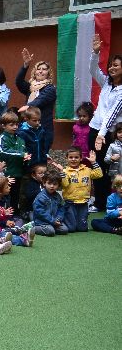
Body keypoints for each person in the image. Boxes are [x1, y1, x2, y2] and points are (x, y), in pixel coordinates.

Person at [89, 34, 122, 210]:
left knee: (112, 168)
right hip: (95, 130)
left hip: (109, 134)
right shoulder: (107, 84)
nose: (111, 68)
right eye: (111, 65)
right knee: (97, 166)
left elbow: (112, 114)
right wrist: (95, 53)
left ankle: (112, 203)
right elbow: (93, 70)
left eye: (116, 65)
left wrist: (101, 135)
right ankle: (100, 202)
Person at [15, 48, 57, 148]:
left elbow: (40, 100)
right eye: (38, 69)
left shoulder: (50, 88)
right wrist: (26, 65)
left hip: (43, 129)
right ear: (35, 72)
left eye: (44, 69)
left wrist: (28, 106)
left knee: (41, 154)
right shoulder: (30, 87)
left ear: (48, 73)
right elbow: (19, 82)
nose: (41, 71)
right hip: (28, 127)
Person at [55, 146, 102, 232]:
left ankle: (77, 222)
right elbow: (65, 184)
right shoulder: (65, 171)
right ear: (66, 158)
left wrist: (93, 162)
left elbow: (99, 174)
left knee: (82, 229)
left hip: (83, 202)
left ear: (81, 158)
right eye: (71, 157)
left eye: (76, 157)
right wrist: (61, 172)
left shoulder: (87, 170)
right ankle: (61, 219)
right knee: (71, 228)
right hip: (70, 202)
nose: (73, 159)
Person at [0, 112, 29, 212]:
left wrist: (26, 158)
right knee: (5, 195)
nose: (15, 127)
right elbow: (2, 150)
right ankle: (4, 214)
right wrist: (21, 154)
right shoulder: (2, 138)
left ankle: (15, 213)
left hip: (18, 172)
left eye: (16, 124)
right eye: (11, 125)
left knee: (15, 195)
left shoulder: (20, 140)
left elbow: (24, 152)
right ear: (3, 126)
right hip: (7, 173)